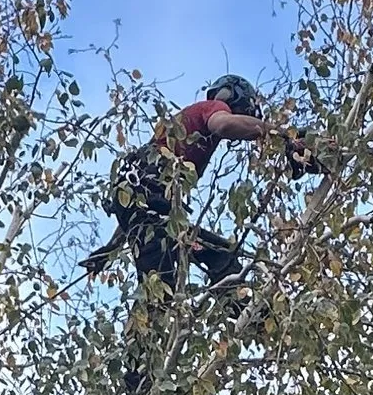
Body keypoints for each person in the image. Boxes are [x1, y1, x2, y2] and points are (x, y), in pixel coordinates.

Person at [102, 74, 317, 307]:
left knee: (167, 285)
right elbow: (224, 124)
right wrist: (283, 134)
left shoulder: (184, 145)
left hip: (148, 213)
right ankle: (250, 315)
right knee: (205, 264)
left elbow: (137, 211)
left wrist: (111, 249)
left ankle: (245, 315)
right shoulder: (215, 107)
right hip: (153, 215)